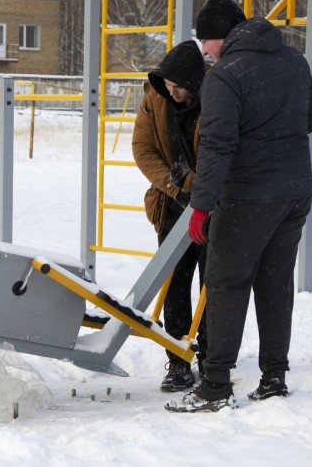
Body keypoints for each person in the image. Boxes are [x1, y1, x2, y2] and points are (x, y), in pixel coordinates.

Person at [165, 0, 312, 413]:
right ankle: (274, 378)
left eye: (206, 44)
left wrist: (201, 207)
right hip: (295, 192)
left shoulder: (225, 76)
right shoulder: (293, 59)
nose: (204, 54)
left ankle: (215, 386)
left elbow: (218, 146)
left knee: (225, 283)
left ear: (222, 37)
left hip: (248, 197)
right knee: (274, 283)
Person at [132, 39, 209, 392]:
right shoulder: (154, 97)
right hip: (171, 205)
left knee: (213, 283)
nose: (173, 93)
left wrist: (197, 185)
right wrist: (175, 185)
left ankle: (211, 357)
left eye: (180, 88)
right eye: (169, 86)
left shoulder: (215, 97)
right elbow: (143, 149)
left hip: (211, 205)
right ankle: (178, 360)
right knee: (175, 284)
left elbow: (221, 150)